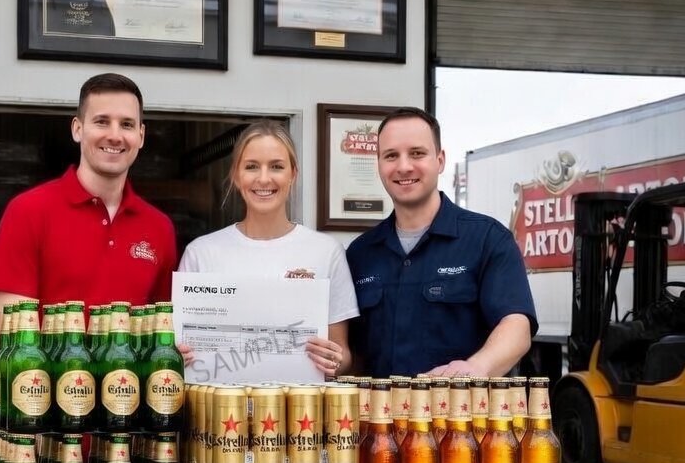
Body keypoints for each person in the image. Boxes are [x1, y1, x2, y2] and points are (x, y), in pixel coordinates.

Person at [0, 73, 177, 346]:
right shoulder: (27, 212)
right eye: (101, 122)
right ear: (77, 129)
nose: (114, 135)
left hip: (129, 389)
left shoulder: (159, 228)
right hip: (51, 389)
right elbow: (11, 343)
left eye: (126, 124)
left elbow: (159, 336)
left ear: (141, 136)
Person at [346, 106, 536, 378]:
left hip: (462, 417)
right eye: (391, 156)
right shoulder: (360, 254)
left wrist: (475, 368)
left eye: (417, 153)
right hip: (379, 418)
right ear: (379, 165)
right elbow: (352, 352)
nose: (403, 166)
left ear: (440, 159)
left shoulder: (488, 240)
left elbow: (517, 327)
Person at [177, 120, 358, 377]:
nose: (264, 178)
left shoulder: (326, 251)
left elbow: (343, 354)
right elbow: (178, 348)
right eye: (251, 167)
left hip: (298, 412)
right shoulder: (201, 253)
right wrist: (176, 358)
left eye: (276, 166)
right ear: (236, 176)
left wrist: (334, 361)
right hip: (217, 412)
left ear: (293, 174)